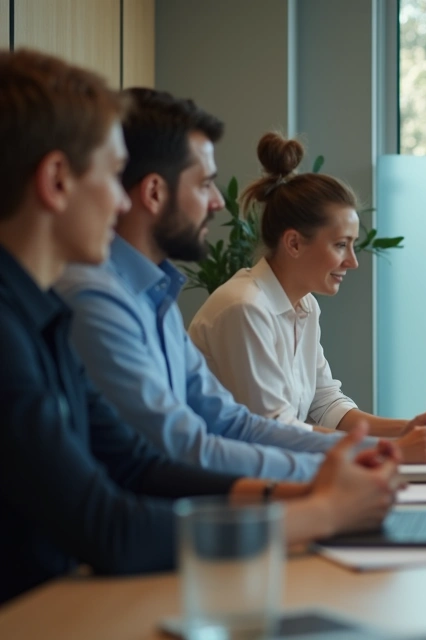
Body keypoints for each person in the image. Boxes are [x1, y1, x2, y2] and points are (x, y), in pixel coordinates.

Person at [0, 49, 395, 606]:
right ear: (57, 181)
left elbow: (140, 463)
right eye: (114, 176)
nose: (120, 202)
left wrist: (314, 484)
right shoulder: (56, 308)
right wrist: (316, 509)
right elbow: (109, 523)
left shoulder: (47, 311)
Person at [54, 88, 426, 481]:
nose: (217, 201)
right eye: (204, 183)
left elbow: (237, 424)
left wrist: (393, 440)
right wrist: (373, 456)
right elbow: (189, 448)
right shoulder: (106, 297)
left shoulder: (153, 296)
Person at [189, 133, 426, 439]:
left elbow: (326, 404)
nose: (352, 261)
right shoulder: (245, 307)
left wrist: (408, 429)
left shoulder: (305, 305)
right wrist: (390, 450)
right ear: (294, 243)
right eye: (340, 245)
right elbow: (274, 428)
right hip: (232, 481)